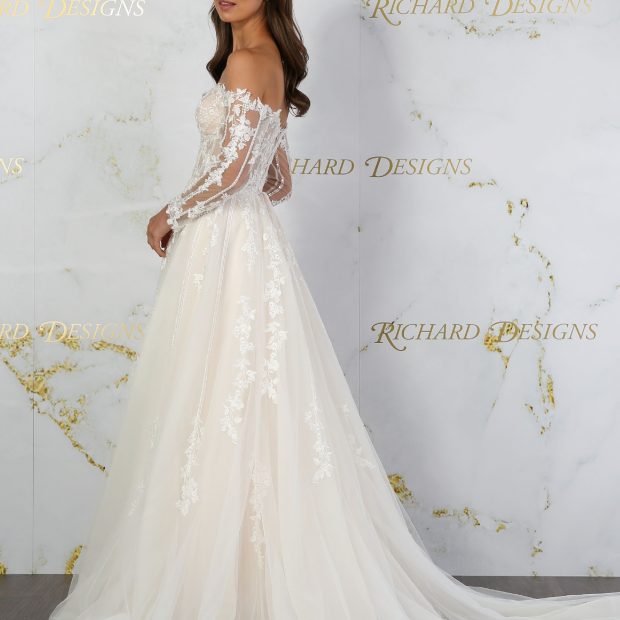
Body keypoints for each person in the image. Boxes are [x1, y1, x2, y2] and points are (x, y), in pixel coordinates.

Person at [49, 1, 620, 618]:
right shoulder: (270, 63)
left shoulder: (245, 62)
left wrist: (173, 212)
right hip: (250, 243)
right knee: (249, 394)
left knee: (214, 390)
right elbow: (277, 181)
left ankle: (214, 574)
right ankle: (251, 571)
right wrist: (231, 194)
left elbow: (237, 174)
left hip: (224, 243)